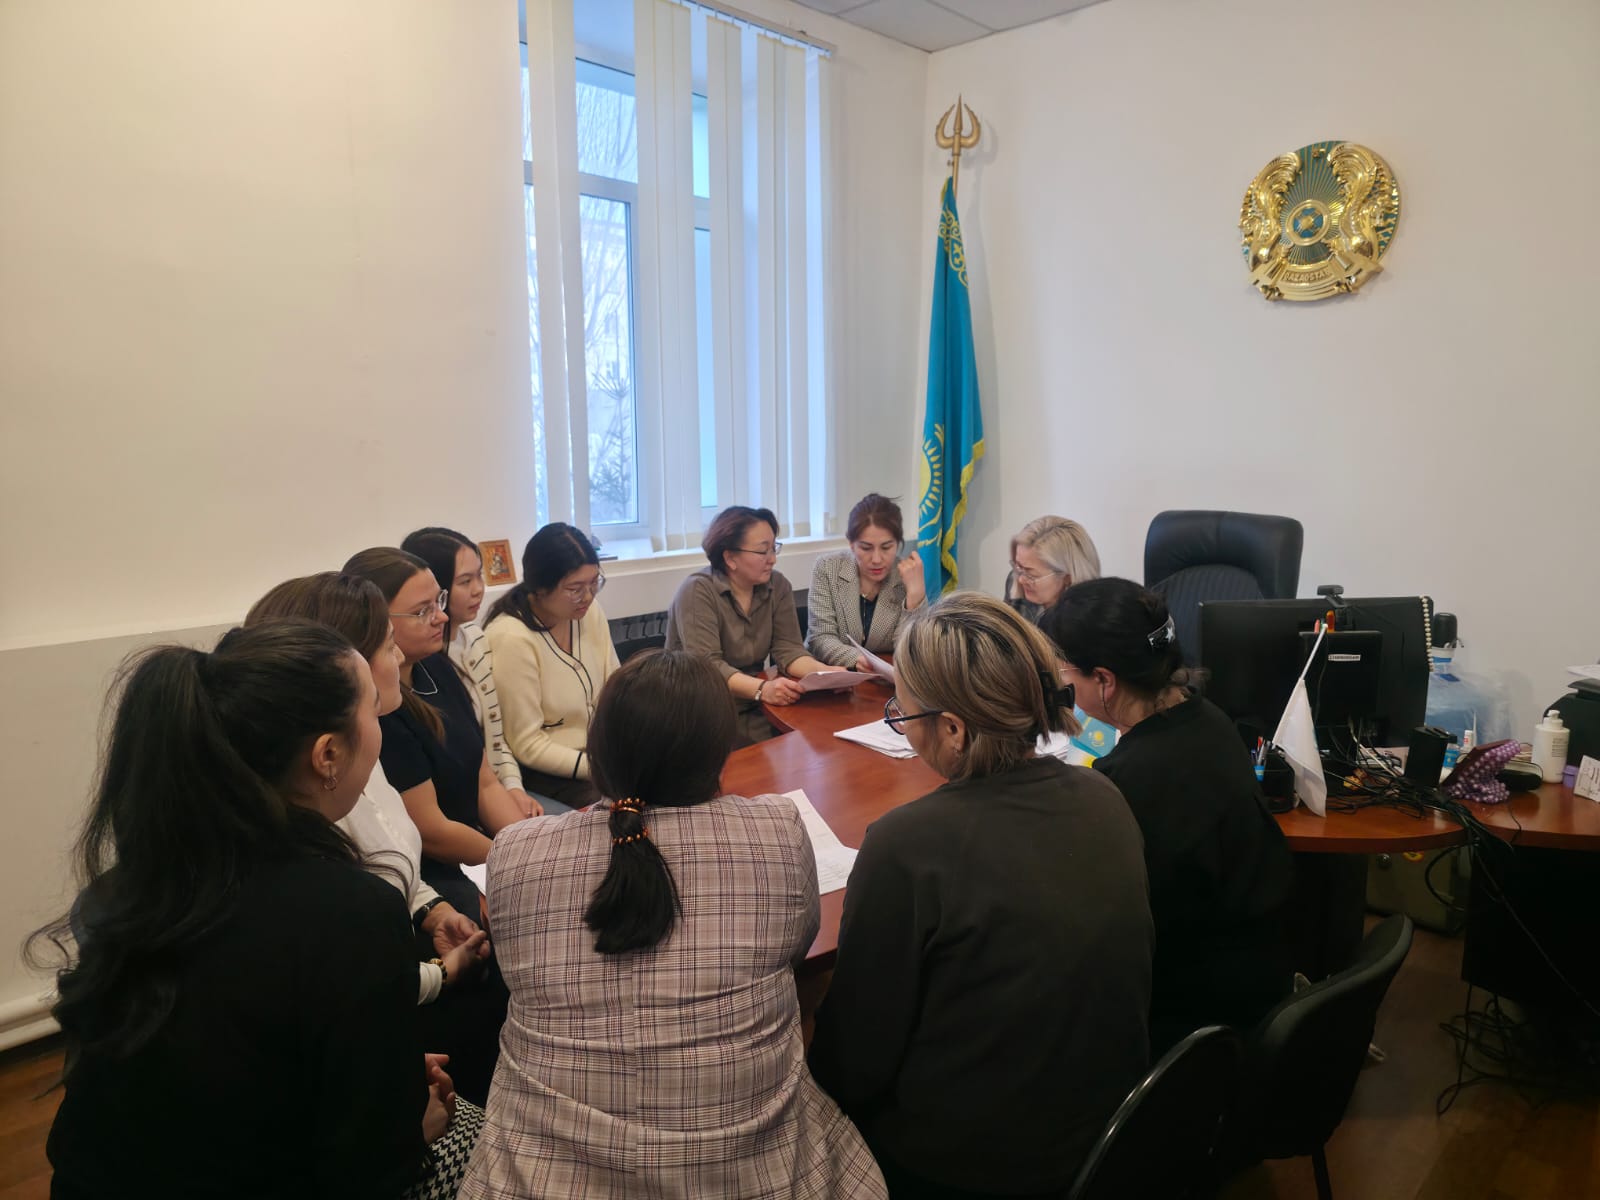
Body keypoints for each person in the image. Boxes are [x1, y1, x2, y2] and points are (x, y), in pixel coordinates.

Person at [32, 621, 478, 1198]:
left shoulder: (129, 887)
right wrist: (413, 1123)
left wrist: (378, 1071)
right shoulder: (349, 913)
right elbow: (367, 1167)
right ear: (327, 754)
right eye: (372, 709)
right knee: (479, 1137)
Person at [460, 650, 886, 1199]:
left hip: (537, 1174)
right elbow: (797, 947)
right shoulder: (776, 830)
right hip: (759, 1172)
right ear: (717, 752)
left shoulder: (516, 852)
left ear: (600, 745)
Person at [809, 593, 1153, 1199]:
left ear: (953, 729)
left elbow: (855, 1060)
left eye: (903, 714)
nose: (901, 725)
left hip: (971, 1167)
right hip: (1110, 1133)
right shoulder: (1105, 797)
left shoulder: (906, 846)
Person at [245, 572, 506, 1106]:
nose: (399, 658)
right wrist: (441, 974)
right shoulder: (311, 835)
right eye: (388, 645)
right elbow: (355, 985)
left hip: (393, 964)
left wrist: (433, 912)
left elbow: (394, 855)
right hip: (377, 1009)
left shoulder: (354, 750)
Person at [1041, 577, 1294, 1053]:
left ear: (1104, 680)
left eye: (1063, 673)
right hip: (1255, 972)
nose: (1060, 684)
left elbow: (1096, 926)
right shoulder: (1207, 717)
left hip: (1192, 1017)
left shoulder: (1126, 780)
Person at [345, 547, 536, 923]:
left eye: (440, 601)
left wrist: (529, 844)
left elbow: (485, 782)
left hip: (476, 847)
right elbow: (431, 831)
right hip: (430, 866)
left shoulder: (438, 667)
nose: (442, 617)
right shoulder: (379, 708)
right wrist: (514, 857)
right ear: (374, 623)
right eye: (423, 611)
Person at [666, 505, 838, 745]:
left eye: (774, 548)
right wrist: (764, 689)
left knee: (819, 739)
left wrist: (827, 675)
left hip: (758, 705)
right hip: (702, 713)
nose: (772, 559)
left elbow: (789, 649)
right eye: (762, 551)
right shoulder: (697, 591)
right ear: (730, 558)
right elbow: (708, 667)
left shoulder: (778, 586)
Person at [482, 523, 620, 807]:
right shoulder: (511, 638)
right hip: (551, 772)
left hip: (602, 754)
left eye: (594, 583)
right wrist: (600, 767)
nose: (588, 596)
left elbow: (617, 688)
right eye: (575, 589)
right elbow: (527, 744)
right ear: (540, 588)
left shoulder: (589, 613)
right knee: (627, 805)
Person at [401, 527, 531, 811]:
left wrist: (513, 786)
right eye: (465, 581)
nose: (478, 589)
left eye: (479, 575)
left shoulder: (474, 639)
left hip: (494, 788)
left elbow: (495, 737)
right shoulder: (421, 662)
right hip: (460, 802)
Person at [806, 493, 926, 670]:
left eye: (886, 547)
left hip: (886, 679)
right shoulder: (827, 567)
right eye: (866, 548)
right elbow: (821, 638)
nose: (876, 559)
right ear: (851, 544)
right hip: (833, 674)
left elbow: (909, 650)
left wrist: (915, 599)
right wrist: (857, 659)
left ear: (898, 543)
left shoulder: (906, 577)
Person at [1003, 514, 1101, 624]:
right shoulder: (1015, 580)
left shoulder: (1086, 621)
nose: (1020, 580)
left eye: (1031, 575)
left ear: (1068, 577)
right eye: (1018, 566)